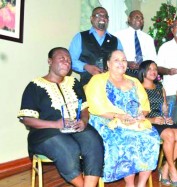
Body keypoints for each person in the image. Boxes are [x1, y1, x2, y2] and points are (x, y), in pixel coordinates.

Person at [17, 47, 104, 187]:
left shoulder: (74, 83)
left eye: (69, 60)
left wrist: (83, 121)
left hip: (75, 128)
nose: (66, 62)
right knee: (69, 148)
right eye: (62, 59)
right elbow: (27, 119)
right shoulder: (35, 86)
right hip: (45, 133)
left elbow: (84, 109)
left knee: (94, 142)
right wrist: (56, 124)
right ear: (49, 61)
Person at [85, 50, 160, 187]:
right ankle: (130, 184)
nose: (121, 63)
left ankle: (141, 184)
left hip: (134, 122)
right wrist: (118, 116)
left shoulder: (135, 81)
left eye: (124, 60)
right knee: (127, 139)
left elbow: (145, 105)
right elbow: (96, 106)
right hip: (106, 121)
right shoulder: (98, 80)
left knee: (152, 137)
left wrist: (140, 115)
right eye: (116, 60)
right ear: (108, 64)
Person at [138, 60, 177, 187]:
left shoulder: (160, 87)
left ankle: (165, 168)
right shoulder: (137, 88)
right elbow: (136, 113)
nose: (153, 71)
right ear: (143, 71)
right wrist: (152, 120)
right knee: (170, 135)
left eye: (155, 69)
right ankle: (172, 171)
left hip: (161, 121)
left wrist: (167, 118)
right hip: (147, 122)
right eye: (149, 69)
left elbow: (164, 108)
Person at [69, 6, 123, 86]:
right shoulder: (80, 37)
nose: (102, 18)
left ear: (108, 20)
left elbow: (121, 63)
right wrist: (86, 67)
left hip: (112, 85)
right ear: (91, 18)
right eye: (98, 15)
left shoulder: (116, 41)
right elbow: (71, 60)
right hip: (88, 85)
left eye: (105, 16)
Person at [114, 10, 157, 78]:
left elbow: (153, 59)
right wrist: (127, 63)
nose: (139, 19)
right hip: (125, 72)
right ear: (129, 19)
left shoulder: (148, 38)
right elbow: (114, 57)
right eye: (136, 17)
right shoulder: (118, 35)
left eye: (141, 18)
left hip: (144, 74)